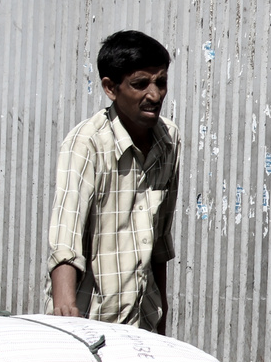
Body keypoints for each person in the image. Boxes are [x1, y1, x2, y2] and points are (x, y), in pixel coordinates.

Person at [47, 30, 179, 335]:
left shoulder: (170, 140)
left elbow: (160, 240)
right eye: (140, 84)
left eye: (161, 82)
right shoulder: (87, 143)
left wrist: (162, 317)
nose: (155, 94)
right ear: (110, 88)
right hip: (91, 321)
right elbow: (65, 238)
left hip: (143, 320)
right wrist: (66, 314)